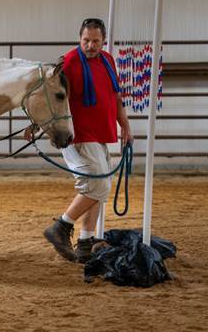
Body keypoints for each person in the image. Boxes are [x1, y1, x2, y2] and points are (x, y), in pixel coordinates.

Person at [27, 18, 133, 263]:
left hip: (102, 133)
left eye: (96, 41)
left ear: (104, 41)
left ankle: (85, 242)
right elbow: (48, 97)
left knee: (99, 188)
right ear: (79, 38)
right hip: (78, 136)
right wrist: (34, 123)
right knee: (98, 185)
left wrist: (125, 125)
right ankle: (61, 227)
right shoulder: (68, 62)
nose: (91, 45)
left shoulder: (108, 61)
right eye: (86, 40)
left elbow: (116, 97)